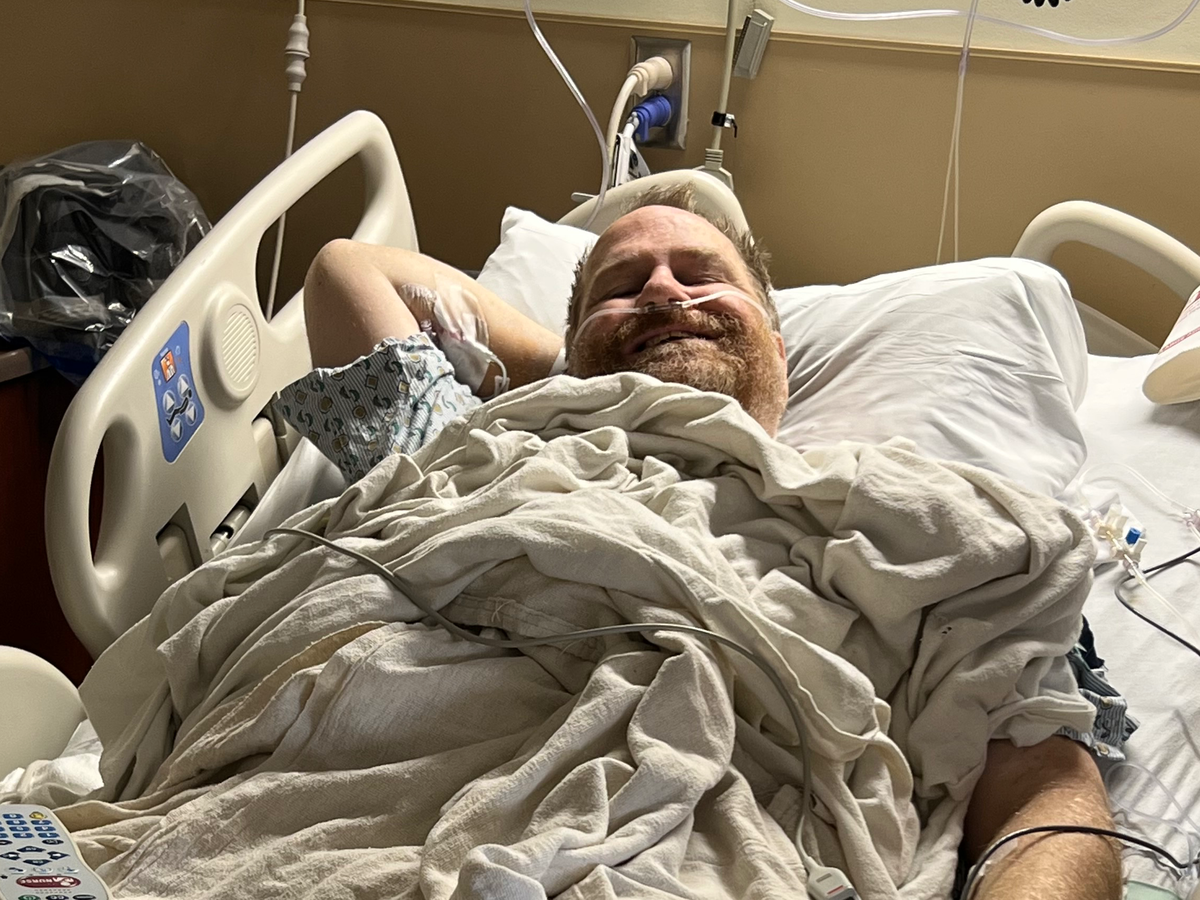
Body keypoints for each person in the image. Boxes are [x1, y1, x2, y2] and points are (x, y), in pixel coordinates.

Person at [280, 185, 1121, 899]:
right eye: (624, 282)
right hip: (346, 825)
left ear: (778, 347)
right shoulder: (475, 448)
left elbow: (1045, 794)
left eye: (700, 276)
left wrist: (635, 324)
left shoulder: (914, 522)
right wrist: (581, 373)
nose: (661, 287)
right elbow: (347, 269)